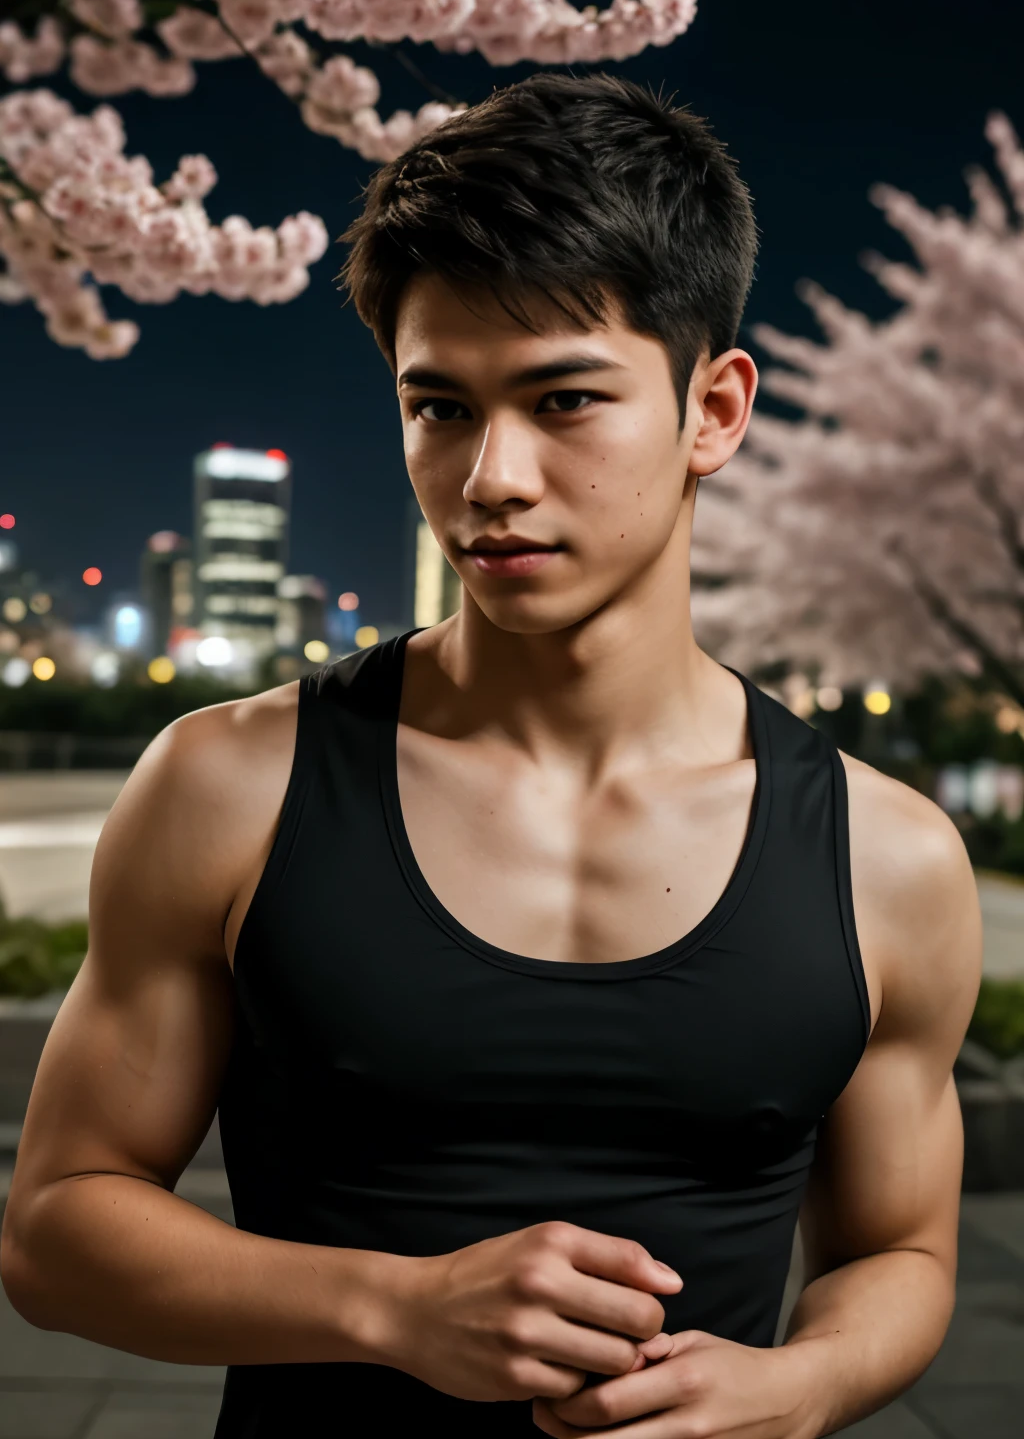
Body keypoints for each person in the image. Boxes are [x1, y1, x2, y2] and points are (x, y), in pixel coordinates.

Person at [1, 73, 981, 1439]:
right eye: (441, 407)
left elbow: (900, 1257)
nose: (490, 477)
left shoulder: (888, 858)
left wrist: (800, 1385)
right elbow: (52, 1234)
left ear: (715, 410)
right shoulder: (231, 786)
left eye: (565, 400)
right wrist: (390, 1309)